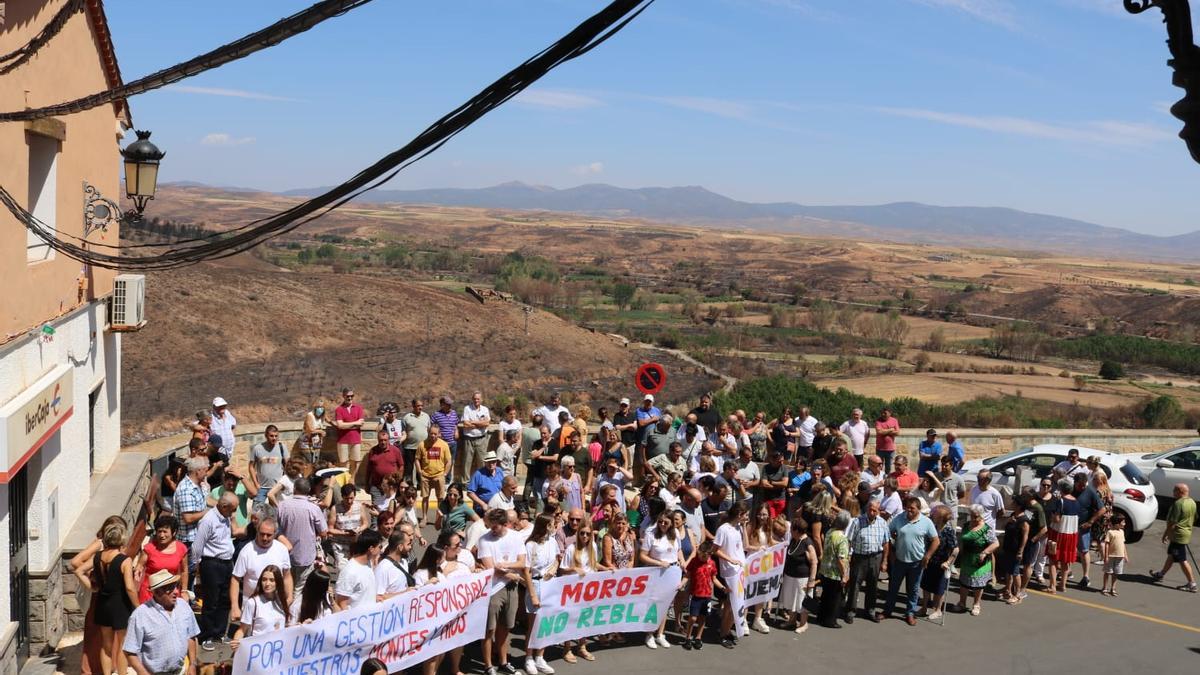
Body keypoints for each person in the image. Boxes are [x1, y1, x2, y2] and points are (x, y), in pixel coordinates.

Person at [79, 520, 137, 675]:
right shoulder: (125, 560)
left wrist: (93, 587)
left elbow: (79, 570)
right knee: (124, 644)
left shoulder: (97, 557)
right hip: (120, 605)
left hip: (102, 603)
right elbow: (130, 588)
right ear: (121, 539)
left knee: (106, 645)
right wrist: (138, 606)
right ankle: (122, 673)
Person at [477, 508, 527, 675]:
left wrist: (505, 567)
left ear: (505, 524)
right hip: (492, 590)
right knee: (489, 629)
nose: (491, 530)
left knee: (505, 627)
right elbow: (491, 568)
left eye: (495, 527)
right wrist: (510, 573)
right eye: (490, 526)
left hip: (511, 588)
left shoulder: (516, 537)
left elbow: (522, 563)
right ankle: (488, 666)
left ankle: (503, 661)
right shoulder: (484, 540)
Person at [123, 570, 199, 675]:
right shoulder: (140, 615)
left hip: (181, 670)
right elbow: (130, 651)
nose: (176, 592)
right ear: (157, 592)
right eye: (170, 589)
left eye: (176, 586)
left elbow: (191, 636)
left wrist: (192, 664)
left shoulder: (184, 606)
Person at [191, 492, 239, 650]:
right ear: (224, 507)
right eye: (233, 509)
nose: (233, 513)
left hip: (226, 562)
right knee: (211, 601)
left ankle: (219, 633)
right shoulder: (208, 520)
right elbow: (197, 546)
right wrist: (198, 565)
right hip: (212, 563)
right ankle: (207, 635)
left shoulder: (225, 517)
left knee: (225, 599)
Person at [882, 496, 940, 625]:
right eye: (907, 507)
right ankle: (887, 611)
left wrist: (928, 556)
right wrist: (891, 548)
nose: (908, 510)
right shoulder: (899, 518)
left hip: (917, 562)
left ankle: (910, 613)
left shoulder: (926, 522)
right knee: (893, 587)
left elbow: (936, 540)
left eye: (912, 508)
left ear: (919, 509)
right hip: (899, 561)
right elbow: (888, 532)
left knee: (913, 590)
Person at [231, 516, 293, 626]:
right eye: (262, 534)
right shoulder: (247, 551)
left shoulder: (282, 550)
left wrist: (289, 597)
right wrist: (235, 606)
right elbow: (235, 579)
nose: (265, 538)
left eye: (269, 535)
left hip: (276, 607)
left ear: (275, 534)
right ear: (257, 532)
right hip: (252, 609)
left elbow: (287, 576)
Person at [640, 511, 684, 648]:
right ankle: (649, 634)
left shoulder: (675, 533)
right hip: (656, 573)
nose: (663, 525)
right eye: (660, 522)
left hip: (672, 573)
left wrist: (682, 560)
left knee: (666, 604)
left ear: (671, 523)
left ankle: (660, 634)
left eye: (666, 522)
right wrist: (659, 563)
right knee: (654, 604)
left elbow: (678, 550)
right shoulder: (651, 534)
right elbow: (642, 556)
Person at [523, 514, 559, 675]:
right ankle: (529, 657)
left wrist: (554, 568)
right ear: (545, 526)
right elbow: (527, 572)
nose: (554, 527)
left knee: (546, 622)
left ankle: (540, 656)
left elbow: (557, 558)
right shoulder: (531, 545)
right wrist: (533, 595)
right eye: (552, 524)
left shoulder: (553, 541)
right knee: (533, 624)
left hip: (550, 584)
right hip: (536, 584)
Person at [277, 477, 328, 590]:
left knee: (286, 586)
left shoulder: (282, 505)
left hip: (285, 554)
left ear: (294, 489)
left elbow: (277, 528)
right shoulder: (314, 509)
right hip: (305, 556)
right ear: (309, 490)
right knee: (299, 589)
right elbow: (324, 532)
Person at [844, 499, 889, 624]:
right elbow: (849, 540)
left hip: (876, 558)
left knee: (872, 586)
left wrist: (885, 561)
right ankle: (850, 611)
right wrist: (848, 558)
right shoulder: (857, 521)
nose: (872, 512)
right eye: (870, 509)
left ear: (878, 511)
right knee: (855, 585)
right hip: (860, 558)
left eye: (875, 510)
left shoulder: (882, 523)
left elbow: (886, 543)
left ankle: (870, 611)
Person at [1150, 483, 1197, 592]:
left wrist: (1165, 534)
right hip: (1186, 533)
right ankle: (1161, 574)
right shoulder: (1192, 502)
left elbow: (1172, 522)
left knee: (1182, 559)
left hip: (1178, 535)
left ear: (1180, 492)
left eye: (1174, 491)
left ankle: (1192, 584)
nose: (1173, 493)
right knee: (1172, 555)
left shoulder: (1178, 504)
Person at [713, 503, 748, 648]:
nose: (747, 517)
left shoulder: (738, 527)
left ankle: (726, 630)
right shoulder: (723, 529)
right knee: (731, 603)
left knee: (733, 603)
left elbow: (745, 546)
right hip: (730, 571)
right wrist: (730, 559)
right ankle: (723, 633)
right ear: (739, 514)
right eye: (745, 514)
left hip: (740, 571)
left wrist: (744, 527)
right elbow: (716, 550)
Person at [135, 515, 189, 605]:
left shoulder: (181, 548)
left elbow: (184, 571)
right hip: (150, 593)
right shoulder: (149, 548)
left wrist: (184, 590)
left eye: (165, 532)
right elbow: (140, 565)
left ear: (174, 532)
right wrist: (137, 570)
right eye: (159, 531)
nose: (161, 535)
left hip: (170, 592)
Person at [955, 503, 999, 615]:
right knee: (964, 583)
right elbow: (962, 541)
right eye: (972, 515)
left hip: (980, 561)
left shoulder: (986, 529)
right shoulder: (966, 525)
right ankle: (962, 603)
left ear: (981, 516)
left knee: (978, 585)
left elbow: (996, 543)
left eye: (976, 516)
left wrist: (985, 552)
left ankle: (976, 604)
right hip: (966, 560)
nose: (974, 518)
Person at [231, 565, 287, 649]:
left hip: (277, 651)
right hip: (258, 652)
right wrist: (236, 645)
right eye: (264, 579)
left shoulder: (281, 601)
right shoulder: (253, 603)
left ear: (278, 582)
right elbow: (242, 630)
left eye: (272, 580)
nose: (267, 583)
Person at [777, 518, 817, 634]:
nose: (790, 532)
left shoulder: (807, 543)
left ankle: (804, 624)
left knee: (801, 601)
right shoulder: (794, 540)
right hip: (790, 575)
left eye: (792, 530)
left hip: (802, 578)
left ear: (797, 530)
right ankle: (792, 620)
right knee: (790, 599)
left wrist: (812, 580)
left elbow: (814, 562)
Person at [918, 504, 958, 621]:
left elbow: (955, 549)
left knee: (939, 588)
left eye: (935, 514)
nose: (932, 515)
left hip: (942, 563)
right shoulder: (932, 527)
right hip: (929, 560)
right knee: (925, 585)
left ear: (940, 517)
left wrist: (948, 562)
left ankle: (938, 609)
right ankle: (924, 608)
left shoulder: (948, 530)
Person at [682, 541, 724, 650]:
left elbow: (714, 579)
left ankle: (698, 637)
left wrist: (723, 588)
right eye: (701, 555)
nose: (703, 558)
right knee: (693, 618)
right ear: (699, 552)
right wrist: (681, 584)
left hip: (707, 596)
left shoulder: (712, 564)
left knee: (702, 617)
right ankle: (688, 637)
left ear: (710, 555)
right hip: (696, 595)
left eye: (705, 556)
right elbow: (687, 575)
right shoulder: (694, 562)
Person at [816, 510, 851, 629]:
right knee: (835, 599)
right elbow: (841, 559)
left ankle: (821, 617)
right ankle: (830, 620)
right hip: (835, 573)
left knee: (825, 595)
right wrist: (845, 575)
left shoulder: (830, 532)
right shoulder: (842, 538)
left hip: (825, 569)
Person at [1073, 471, 1106, 591]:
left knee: (1084, 551)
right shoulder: (1070, 490)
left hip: (1083, 528)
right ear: (1075, 483)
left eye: (1084, 484)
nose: (1082, 487)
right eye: (1080, 485)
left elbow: (1102, 509)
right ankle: (1067, 571)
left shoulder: (1090, 492)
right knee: (1069, 549)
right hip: (1069, 526)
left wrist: (1090, 522)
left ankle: (1085, 576)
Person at [745, 504, 775, 633]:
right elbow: (745, 545)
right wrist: (757, 549)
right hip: (752, 562)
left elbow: (770, 541)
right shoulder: (750, 527)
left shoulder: (769, 527)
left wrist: (782, 545)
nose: (762, 517)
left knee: (761, 591)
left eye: (764, 514)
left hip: (764, 563)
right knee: (749, 591)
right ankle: (744, 620)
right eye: (760, 514)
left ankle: (758, 618)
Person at [1046, 478, 1080, 594]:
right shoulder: (1076, 501)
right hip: (1071, 534)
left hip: (1059, 533)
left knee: (1053, 560)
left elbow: (1056, 519)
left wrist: (1051, 516)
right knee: (1066, 561)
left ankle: (1052, 586)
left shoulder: (1060, 501)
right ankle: (1063, 584)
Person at [333, 530, 382, 611]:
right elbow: (341, 603)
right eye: (380, 547)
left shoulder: (369, 563)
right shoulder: (349, 572)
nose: (381, 549)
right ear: (371, 549)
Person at [329, 484, 370, 568]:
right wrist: (344, 533)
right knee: (342, 569)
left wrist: (358, 530)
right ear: (342, 496)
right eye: (346, 498)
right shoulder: (335, 508)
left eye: (351, 498)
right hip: (340, 545)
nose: (349, 501)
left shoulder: (359, 507)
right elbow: (330, 529)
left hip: (356, 545)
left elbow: (365, 523)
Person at [249, 425, 289, 505]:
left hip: (277, 487)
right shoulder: (257, 448)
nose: (274, 438)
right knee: (257, 512)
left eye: (276, 436)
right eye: (271, 436)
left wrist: (285, 482)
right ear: (266, 435)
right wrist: (256, 483)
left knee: (277, 513)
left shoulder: (282, 447)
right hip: (261, 487)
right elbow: (251, 467)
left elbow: (288, 466)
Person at [366, 429, 405, 503]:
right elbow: (369, 469)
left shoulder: (395, 450)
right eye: (381, 440)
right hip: (377, 487)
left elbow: (401, 466)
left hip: (391, 488)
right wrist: (367, 484)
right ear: (378, 440)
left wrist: (398, 480)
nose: (383, 442)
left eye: (385, 440)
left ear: (388, 440)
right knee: (377, 509)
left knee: (390, 510)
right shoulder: (372, 451)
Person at [460, 391, 492, 478]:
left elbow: (486, 423)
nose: (476, 400)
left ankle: (482, 480)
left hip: (481, 439)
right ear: (472, 399)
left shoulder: (485, 409)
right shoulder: (467, 409)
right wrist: (480, 424)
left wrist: (473, 422)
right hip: (469, 439)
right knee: (467, 462)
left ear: (481, 400)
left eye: (478, 399)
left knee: (481, 462)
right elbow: (466, 424)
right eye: (474, 399)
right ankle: (465, 483)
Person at [402, 399, 433, 484]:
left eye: (421, 406)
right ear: (413, 406)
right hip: (409, 447)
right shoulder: (407, 417)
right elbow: (403, 431)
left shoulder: (426, 416)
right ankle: (408, 485)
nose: (420, 407)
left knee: (422, 467)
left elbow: (429, 429)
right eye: (418, 406)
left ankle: (421, 484)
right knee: (409, 467)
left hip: (423, 447)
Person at [378, 531, 415, 598]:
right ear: (400, 547)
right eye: (408, 544)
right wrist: (404, 593)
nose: (410, 547)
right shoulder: (383, 569)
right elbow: (378, 597)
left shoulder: (404, 562)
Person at [1101, 512, 1129, 596]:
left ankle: (1113, 588)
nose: (1124, 523)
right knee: (1108, 572)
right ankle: (1105, 588)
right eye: (1123, 522)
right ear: (1117, 523)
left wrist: (1126, 555)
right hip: (1111, 556)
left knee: (1116, 573)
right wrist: (1106, 556)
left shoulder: (1122, 532)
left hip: (1120, 556)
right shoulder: (1110, 532)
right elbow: (1107, 545)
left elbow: (1123, 544)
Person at [299, 399, 329, 465]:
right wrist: (321, 431)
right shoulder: (310, 415)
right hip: (307, 443)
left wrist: (337, 425)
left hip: (316, 443)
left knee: (316, 463)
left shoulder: (322, 416)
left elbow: (329, 421)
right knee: (309, 462)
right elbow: (310, 430)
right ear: (315, 407)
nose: (320, 409)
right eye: (318, 407)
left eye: (322, 407)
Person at [209, 396, 238, 463]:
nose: (222, 407)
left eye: (223, 405)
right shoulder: (211, 417)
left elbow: (233, 425)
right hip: (218, 451)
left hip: (230, 449)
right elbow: (198, 425)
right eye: (219, 406)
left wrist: (232, 436)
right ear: (214, 407)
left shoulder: (227, 413)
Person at [874, 408, 900, 473]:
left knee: (888, 467)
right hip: (880, 449)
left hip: (890, 449)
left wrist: (884, 431)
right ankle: (879, 480)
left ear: (890, 413)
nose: (883, 414)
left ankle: (887, 480)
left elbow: (897, 433)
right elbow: (879, 432)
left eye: (885, 413)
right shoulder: (878, 421)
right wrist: (890, 430)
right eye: (882, 413)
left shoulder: (894, 420)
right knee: (878, 466)